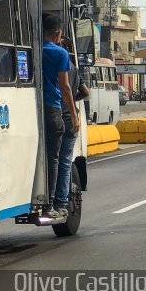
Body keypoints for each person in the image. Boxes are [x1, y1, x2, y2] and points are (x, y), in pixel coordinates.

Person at [42, 14, 80, 218]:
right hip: (53, 111)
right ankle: (54, 204)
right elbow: (65, 87)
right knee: (55, 159)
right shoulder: (60, 54)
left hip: (30, 110)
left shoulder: (29, 51)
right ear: (58, 33)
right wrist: (74, 116)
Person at [54, 37, 90, 217]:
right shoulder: (74, 68)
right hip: (70, 119)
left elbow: (64, 88)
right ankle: (62, 201)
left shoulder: (53, 64)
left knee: (55, 159)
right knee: (65, 161)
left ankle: (58, 199)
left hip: (56, 116)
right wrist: (72, 104)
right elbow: (85, 91)